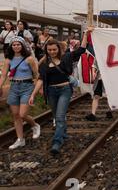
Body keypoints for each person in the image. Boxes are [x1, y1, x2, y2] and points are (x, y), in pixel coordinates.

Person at [29, 27, 91, 155]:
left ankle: (57, 142)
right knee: (56, 115)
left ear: (58, 49)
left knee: (59, 117)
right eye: (49, 50)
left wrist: (86, 34)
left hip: (64, 90)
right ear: (46, 50)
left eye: (54, 49)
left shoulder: (66, 57)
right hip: (51, 91)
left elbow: (82, 49)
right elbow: (41, 79)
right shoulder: (44, 63)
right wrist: (33, 94)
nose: (52, 52)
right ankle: (63, 133)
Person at [0, 36, 41, 149]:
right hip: (14, 87)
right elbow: (3, 75)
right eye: (14, 44)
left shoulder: (29, 59)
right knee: (16, 115)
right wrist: (0, 86)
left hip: (27, 87)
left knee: (22, 114)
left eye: (18, 44)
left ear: (22, 45)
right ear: (11, 46)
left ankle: (34, 125)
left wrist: (39, 88)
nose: (16, 46)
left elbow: (37, 75)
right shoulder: (8, 59)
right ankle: (20, 139)